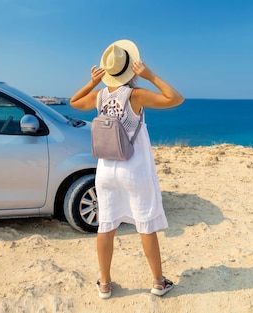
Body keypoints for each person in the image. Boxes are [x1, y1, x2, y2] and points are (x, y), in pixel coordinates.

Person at [70, 39, 184, 299]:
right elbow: (175, 98)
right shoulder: (135, 95)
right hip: (133, 169)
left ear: (108, 70)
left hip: (106, 171)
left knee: (106, 225)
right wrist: (150, 75)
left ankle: (105, 284)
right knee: (145, 225)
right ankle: (158, 282)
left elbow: (74, 101)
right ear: (130, 69)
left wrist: (93, 82)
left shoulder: (99, 96)